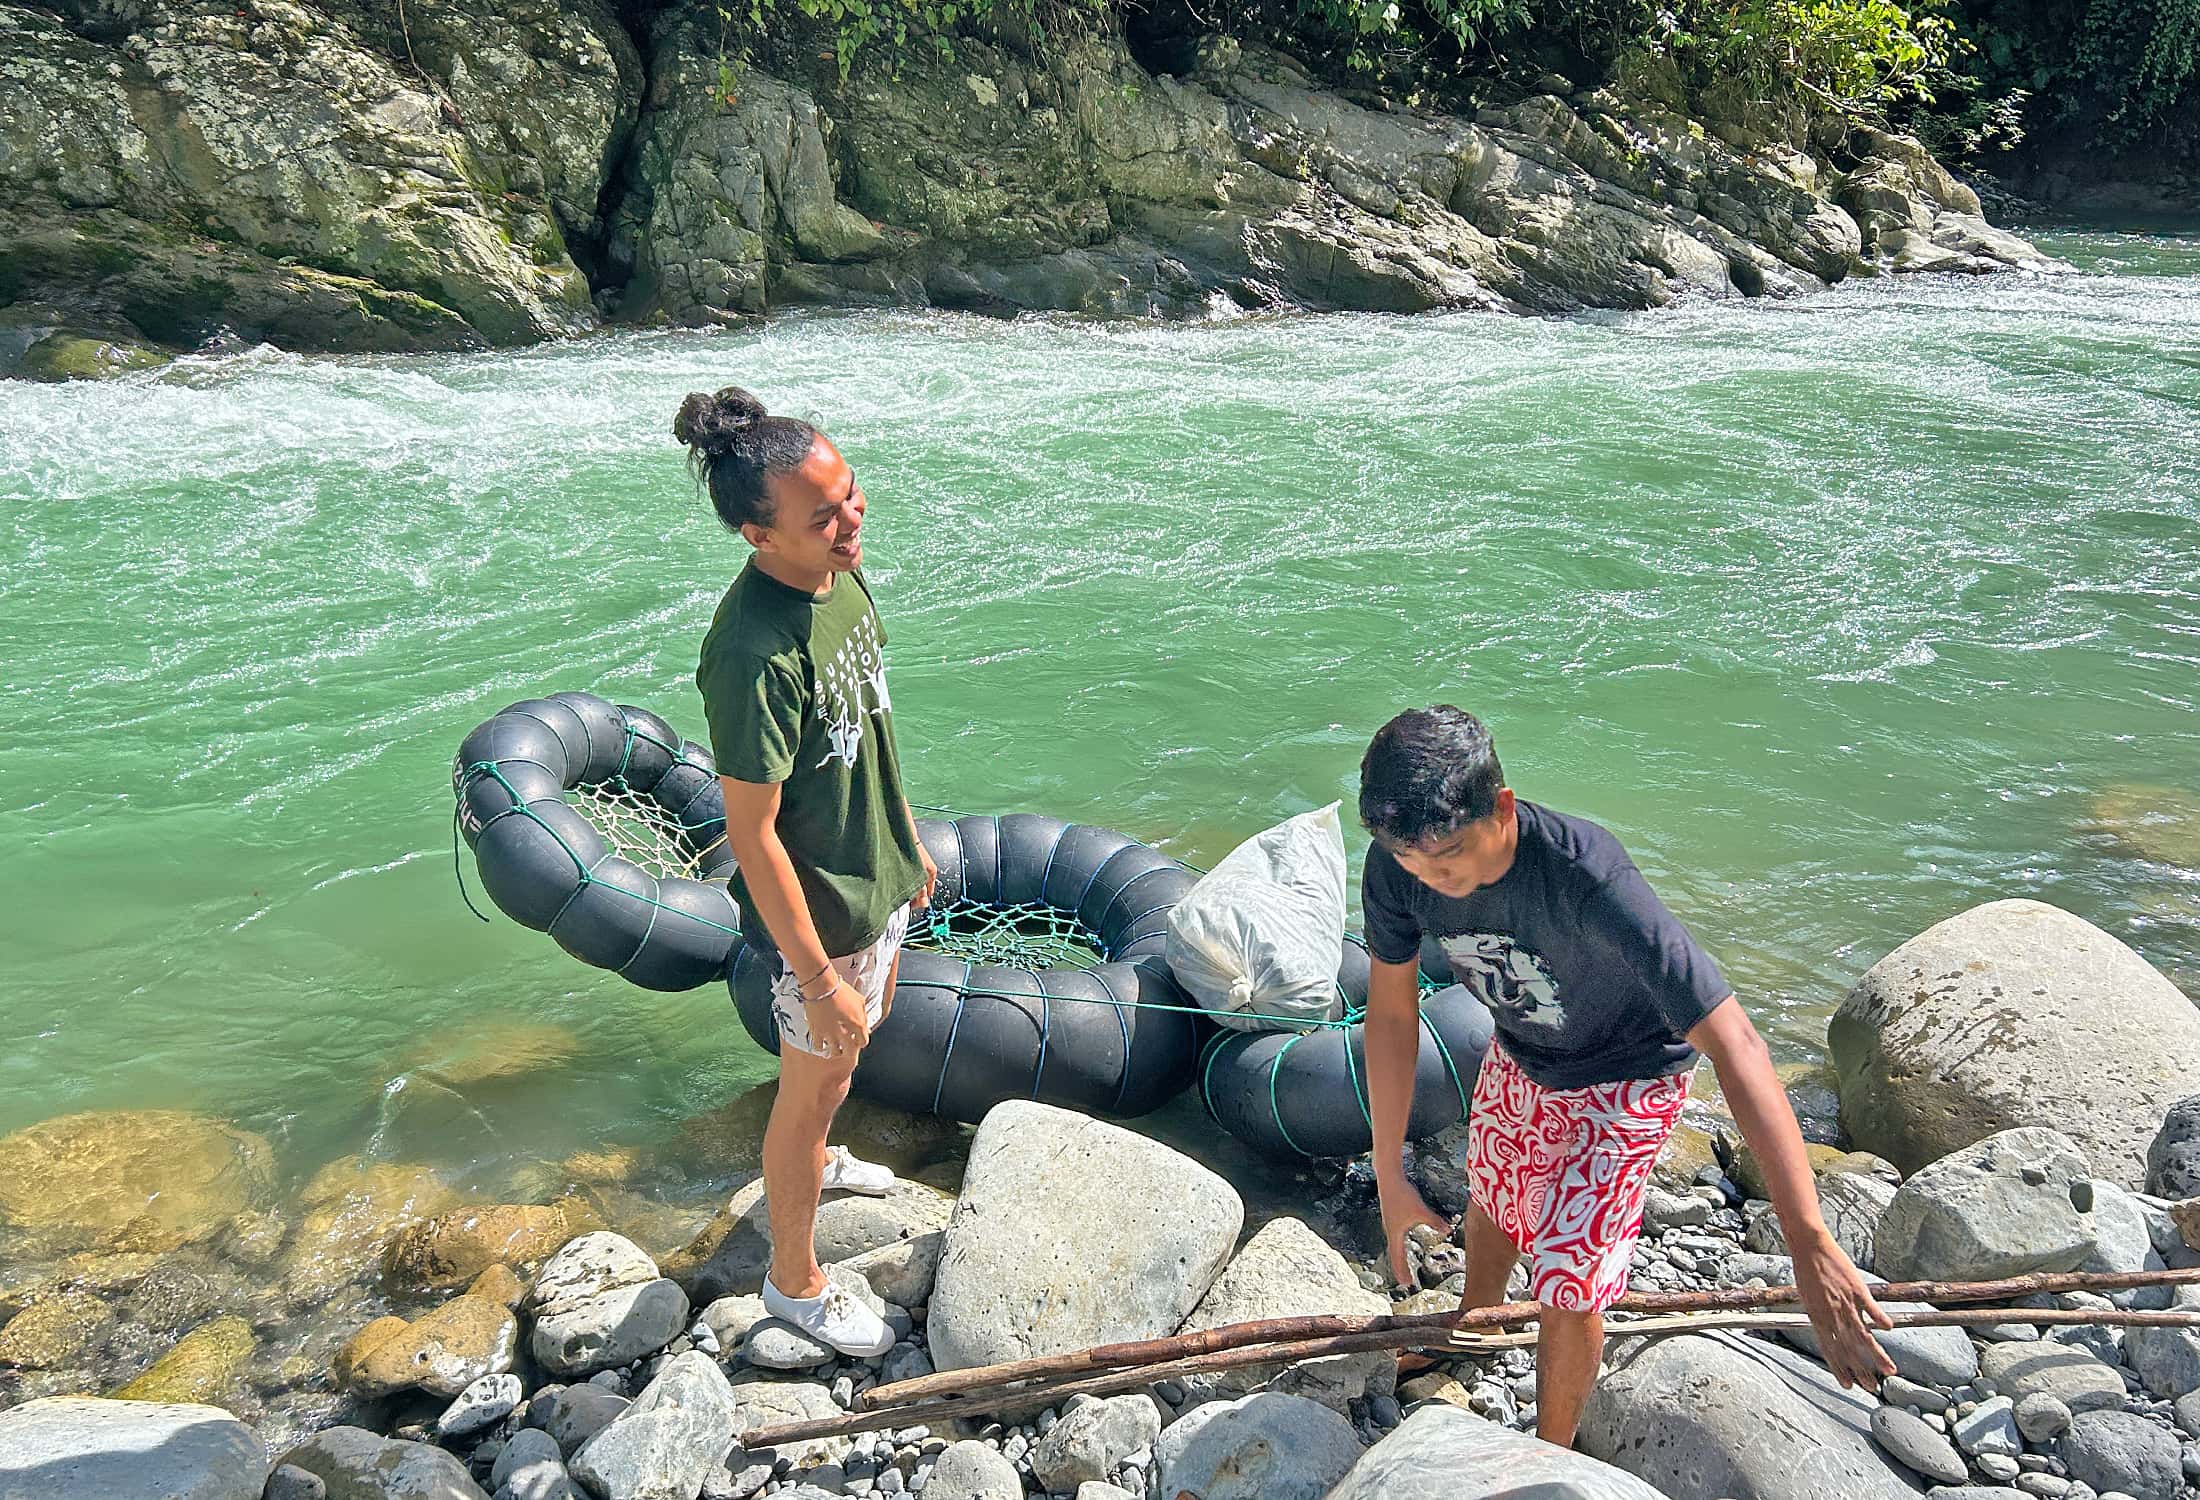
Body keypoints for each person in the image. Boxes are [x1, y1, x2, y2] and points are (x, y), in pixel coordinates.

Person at [1358, 705, 1892, 1449]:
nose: (1433, 879)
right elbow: (1390, 1017)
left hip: (1630, 1072)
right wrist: (1389, 1173)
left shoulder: (1586, 873)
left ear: (1501, 809)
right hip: (1524, 1047)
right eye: (1413, 861)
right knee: (1497, 1198)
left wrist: (1808, 1241)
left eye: (1448, 855)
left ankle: (1551, 1453)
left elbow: (1737, 1041)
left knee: (1571, 1279)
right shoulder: (1398, 865)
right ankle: (1476, 1331)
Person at [679, 386, 939, 1358]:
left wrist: (905, 842)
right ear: (759, 536)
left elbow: (868, 727)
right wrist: (821, 979)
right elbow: (753, 836)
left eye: (850, 493)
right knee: (809, 1088)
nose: (851, 520)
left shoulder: (840, 580)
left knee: (840, 1068)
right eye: (823, 515)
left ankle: (822, 1159)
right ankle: (793, 1281)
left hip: (875, 880)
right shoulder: (752, 654)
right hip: (819, 920)